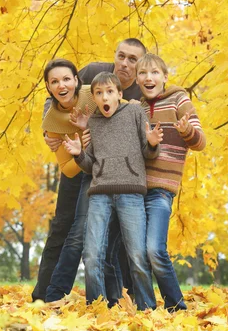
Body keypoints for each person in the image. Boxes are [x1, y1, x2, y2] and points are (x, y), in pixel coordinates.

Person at [32, 38, 146, 302]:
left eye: (133, 60)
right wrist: (50, 130)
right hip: (77, 162)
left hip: (116, 173)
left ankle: (123, 298)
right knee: (64, 227)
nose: (124, 64)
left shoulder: (143, 88)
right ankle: (44, 296)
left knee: (116, 238)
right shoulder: (94, 72)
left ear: (141, 66)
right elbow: (60, 93)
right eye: (121, 56)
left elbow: (164, 94)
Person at [63, 71, 163, 310]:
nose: (104, 97)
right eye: (99, 93)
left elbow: (149, 154)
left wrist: (151, 143)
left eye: (109, 91)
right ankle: (96, 307)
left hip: (131, 193)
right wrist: (79, 155)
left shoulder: (135, 112)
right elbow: (90, 166)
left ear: (119, 94)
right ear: (95, 98)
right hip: (99, 194)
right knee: (91, 255)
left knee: (137, 255)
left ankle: (147, 308)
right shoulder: (94, 123)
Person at [136, 53, 206, 311]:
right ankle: (146, 308)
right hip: (134, 190)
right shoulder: (137, 108)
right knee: (138, 254)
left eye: (154, 72)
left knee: (155, 249)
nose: (148, 77)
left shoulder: (179, 100)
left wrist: (187, 130)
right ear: (137, 79)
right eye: (142, 73)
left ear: (165, 77)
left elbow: (200, 143)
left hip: (161, 190)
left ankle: (177, 306)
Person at [41, 58, 95, 302]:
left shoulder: (93, 94)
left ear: (76, 79)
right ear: (48, 87)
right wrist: (81, 152)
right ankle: (45, 296)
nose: (61, 85)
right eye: (54, 81)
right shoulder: (51, 121)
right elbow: (67, 169)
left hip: (110, 170)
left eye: (66, 79)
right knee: (65, 229)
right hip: (80, 173)